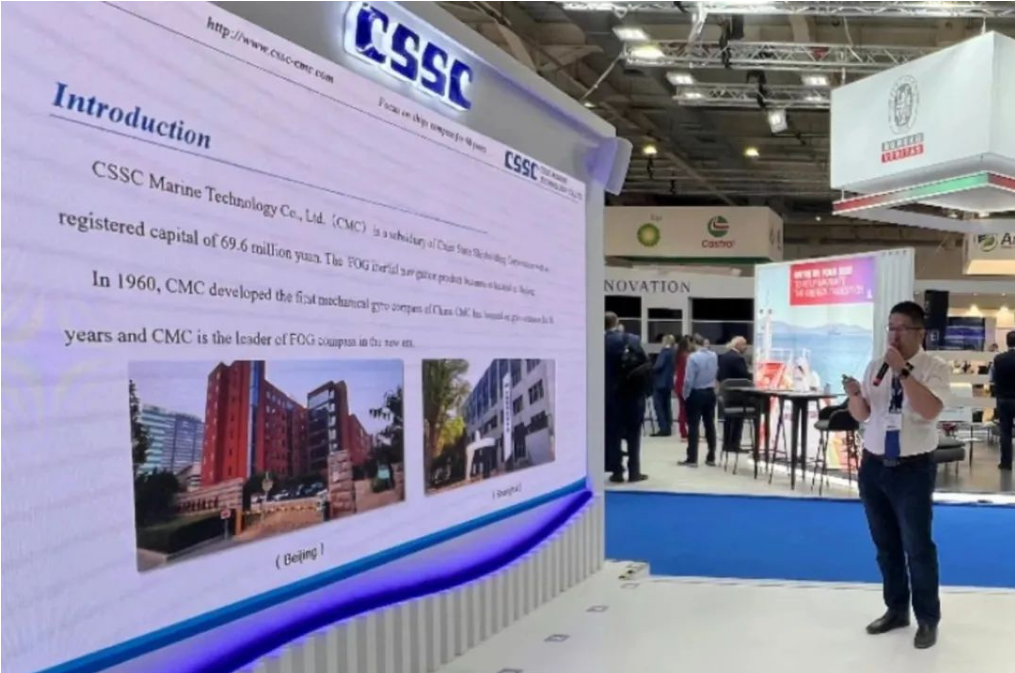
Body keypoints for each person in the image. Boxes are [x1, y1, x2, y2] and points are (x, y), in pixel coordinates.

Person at [842, 301, 950, 650]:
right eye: (891, 327)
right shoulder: (876, 366)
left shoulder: (935, 367)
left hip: (913, 469)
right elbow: (864, 415)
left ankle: (928, 618)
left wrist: (903, 371)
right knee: (885, 545)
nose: (894, 335)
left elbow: (930, 409)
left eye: (901, 328)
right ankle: (896, 609)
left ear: (920, 332)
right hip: (874, 465)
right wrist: (855, 395)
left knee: (917, 546)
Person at [604, 312, 649, 484]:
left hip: (610, 397)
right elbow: (645, 365)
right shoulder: (632, 339)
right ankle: (634, 471)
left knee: (613, 434)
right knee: (634, 434)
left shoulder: (598, 342)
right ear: (617, 322)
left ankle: (617, 471)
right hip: (633, 395)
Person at [681, 334, 719, 466]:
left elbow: (688, 379)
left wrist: (685, 394)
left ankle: (692, 458)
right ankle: (711, 456)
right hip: (710, 392)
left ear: (693, 343)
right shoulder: (714, 356)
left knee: (693, 426)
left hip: (696, 393)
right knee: (710, 425)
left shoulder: (693, 357)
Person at [718, 336, 751, 455]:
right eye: (744, 344)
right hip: (737, 395)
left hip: (725, 394)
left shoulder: (723, 357)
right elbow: (745, 376)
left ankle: (726, 444)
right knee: (738, 420)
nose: (746, 347)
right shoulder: (738, 359)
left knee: (728, 420)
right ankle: (735, 444)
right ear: (738, 345)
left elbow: (719, 375)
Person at [991, 331, 1015, 471]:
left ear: (1006, 343)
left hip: (1003, 399)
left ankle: (1006, 463)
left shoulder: (998, 359)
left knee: (1005, 432)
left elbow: (992, 378)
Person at [651, 335, 676, 437]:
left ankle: (663, 428)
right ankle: (668, 427)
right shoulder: (673, 352)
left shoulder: (664, 352)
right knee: (667, 406)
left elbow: (659, 365)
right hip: (668, 382)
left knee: (659, 406)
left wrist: (651, 369)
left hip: (660, 382)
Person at [674, 335, 693, 440]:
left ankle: (683, 431)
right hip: (685, 385)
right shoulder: (687, 357)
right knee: (687, 410)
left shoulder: (678, 355)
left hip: (679, 384)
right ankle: (686, 432)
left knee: (682, 409)